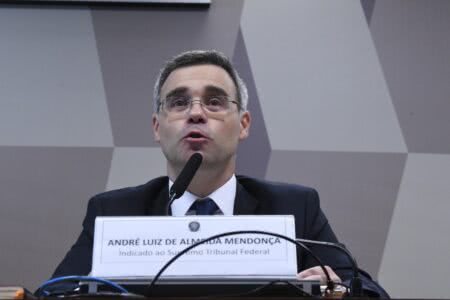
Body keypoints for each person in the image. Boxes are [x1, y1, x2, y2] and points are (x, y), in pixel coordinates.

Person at [52, 50, 388, 297]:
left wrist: (340, 290)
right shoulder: (115, 212)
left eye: (214, 102)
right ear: (157, 127)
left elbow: (370, 292)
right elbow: (51, 293)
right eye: (179, 103)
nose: (196, 113)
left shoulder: (294, 206)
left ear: (243, 125)